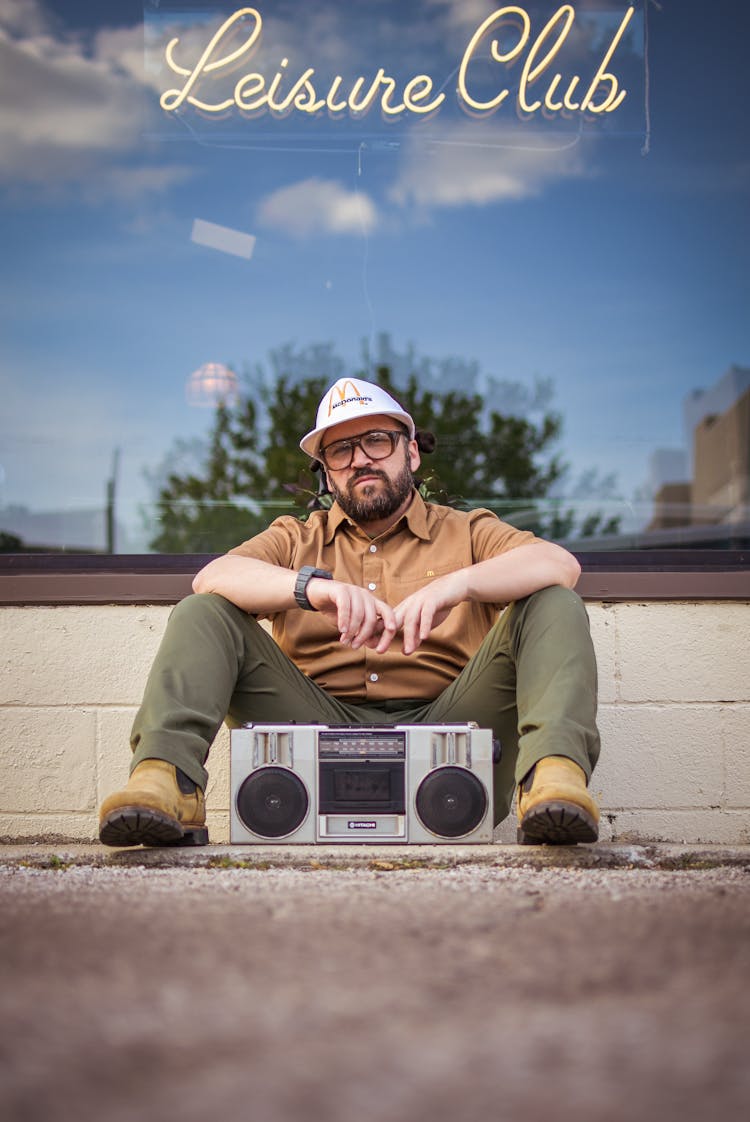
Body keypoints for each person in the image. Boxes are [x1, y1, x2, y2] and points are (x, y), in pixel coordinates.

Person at [99, 378, 600, 848]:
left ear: (412, 451)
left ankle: (551, 778)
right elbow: (212, 577)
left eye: (377, 441)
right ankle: (167, 782)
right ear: (328, 471)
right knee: (203, 613)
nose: (360, 460)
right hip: (313, 724)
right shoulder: (297, 537)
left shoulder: (468, 531)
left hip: (454, 727)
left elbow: (559, 564)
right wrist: (312, 588)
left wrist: (457, 584)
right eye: (340, 450)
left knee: (552, 599)